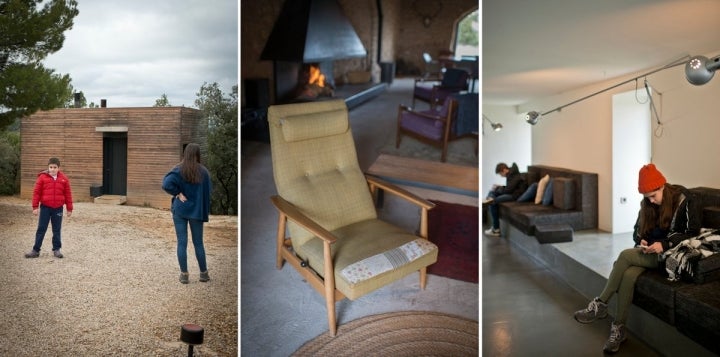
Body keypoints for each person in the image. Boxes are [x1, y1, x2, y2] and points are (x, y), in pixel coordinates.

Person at [573, 163, 700, 353]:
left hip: (670, 255)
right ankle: (619, 329)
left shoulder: (684, 200)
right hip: (649, 252)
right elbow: (636, 231)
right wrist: (642, 239)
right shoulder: (647, 204)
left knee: (624, 256)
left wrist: (664, 244)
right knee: (629, 276)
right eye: (646, 198)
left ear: (662, 186)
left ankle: (600, 304)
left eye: (653, 196)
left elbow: (693, 233)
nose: (651, 201)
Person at [162, 143, 213, 284]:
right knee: (198, 243)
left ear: (185, 154)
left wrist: (177, 193)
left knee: (182, 243)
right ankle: (204, 274)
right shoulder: (204, 172)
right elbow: (209, 191)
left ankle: (184, 275)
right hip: (196, 212)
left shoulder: (178, 170)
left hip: (180, 211)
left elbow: (166, 184)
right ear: (197, 154)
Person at [25, 157, 73, 259]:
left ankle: (56, 249)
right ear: (48, 167)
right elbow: (36, 193)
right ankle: (36, 250)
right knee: (41, 229)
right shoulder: (42, 178)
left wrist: (69, 208)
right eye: (50, 167)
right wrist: (35, 207)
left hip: (58, 208)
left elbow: (68, 194)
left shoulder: (64, 179)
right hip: (45, 208)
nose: (52, 169)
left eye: (55, 167)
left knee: (56, 230)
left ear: (58, 168)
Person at [483, 162, 527, 237]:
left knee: (493, 202)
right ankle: (490, 198)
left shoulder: (515, 175)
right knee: (492, 192)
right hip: (511, 193)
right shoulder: (511, 174)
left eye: (500, 174)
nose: (501, 176)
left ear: (504, 170)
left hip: (515, 196)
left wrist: (499, 188)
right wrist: (499, 187)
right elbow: (509, 188)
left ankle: (496, 229)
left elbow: (507, 191)